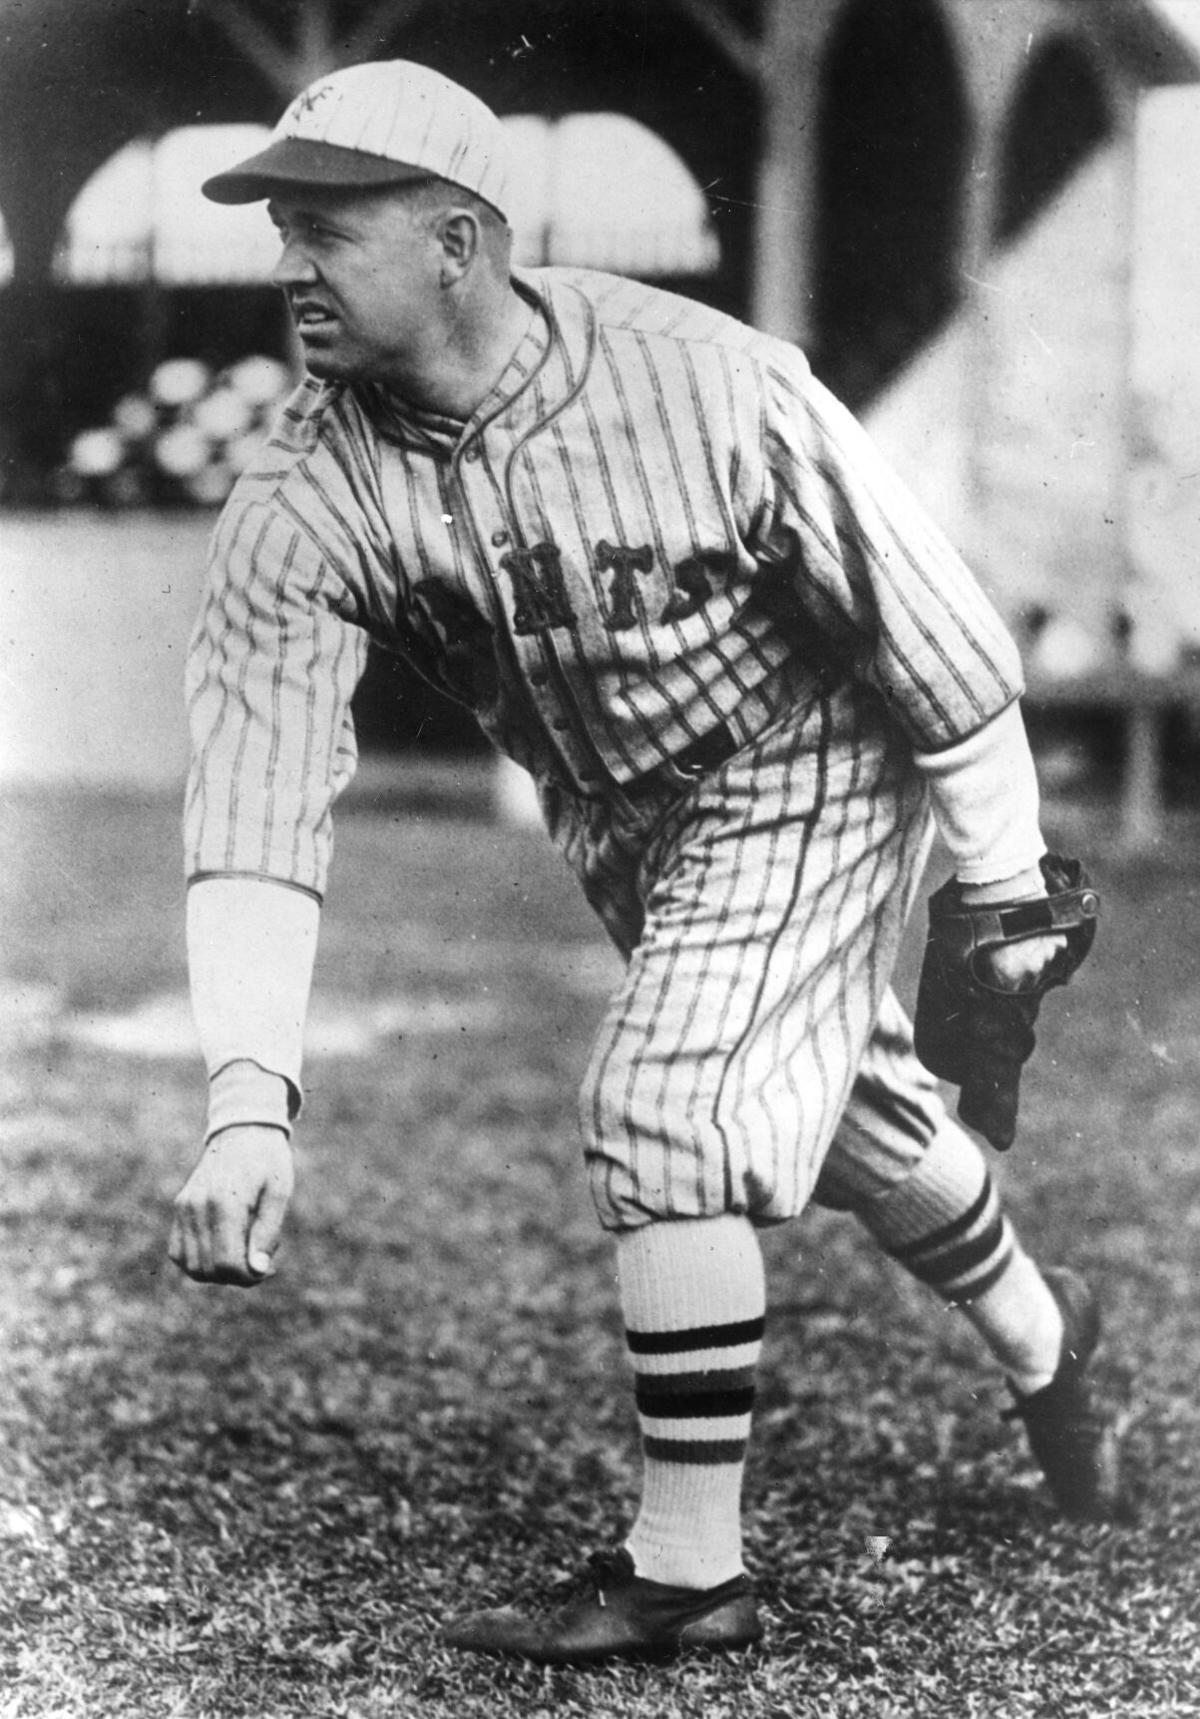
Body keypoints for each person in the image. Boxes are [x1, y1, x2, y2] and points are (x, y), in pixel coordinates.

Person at [169, 59, 1114, 1666]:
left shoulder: (709, 381)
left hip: (811, 759)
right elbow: (259, 802)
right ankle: (1047, 1334)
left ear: (459, 240)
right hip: (623, 820)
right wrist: (247, 1098)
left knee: (671, 1098)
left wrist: (1004, 894)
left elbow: (945, 650)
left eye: (326, 226)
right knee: (852, 1123)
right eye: (282, 227)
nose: (290, 264)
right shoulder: (302, 491)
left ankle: (689, 1568)